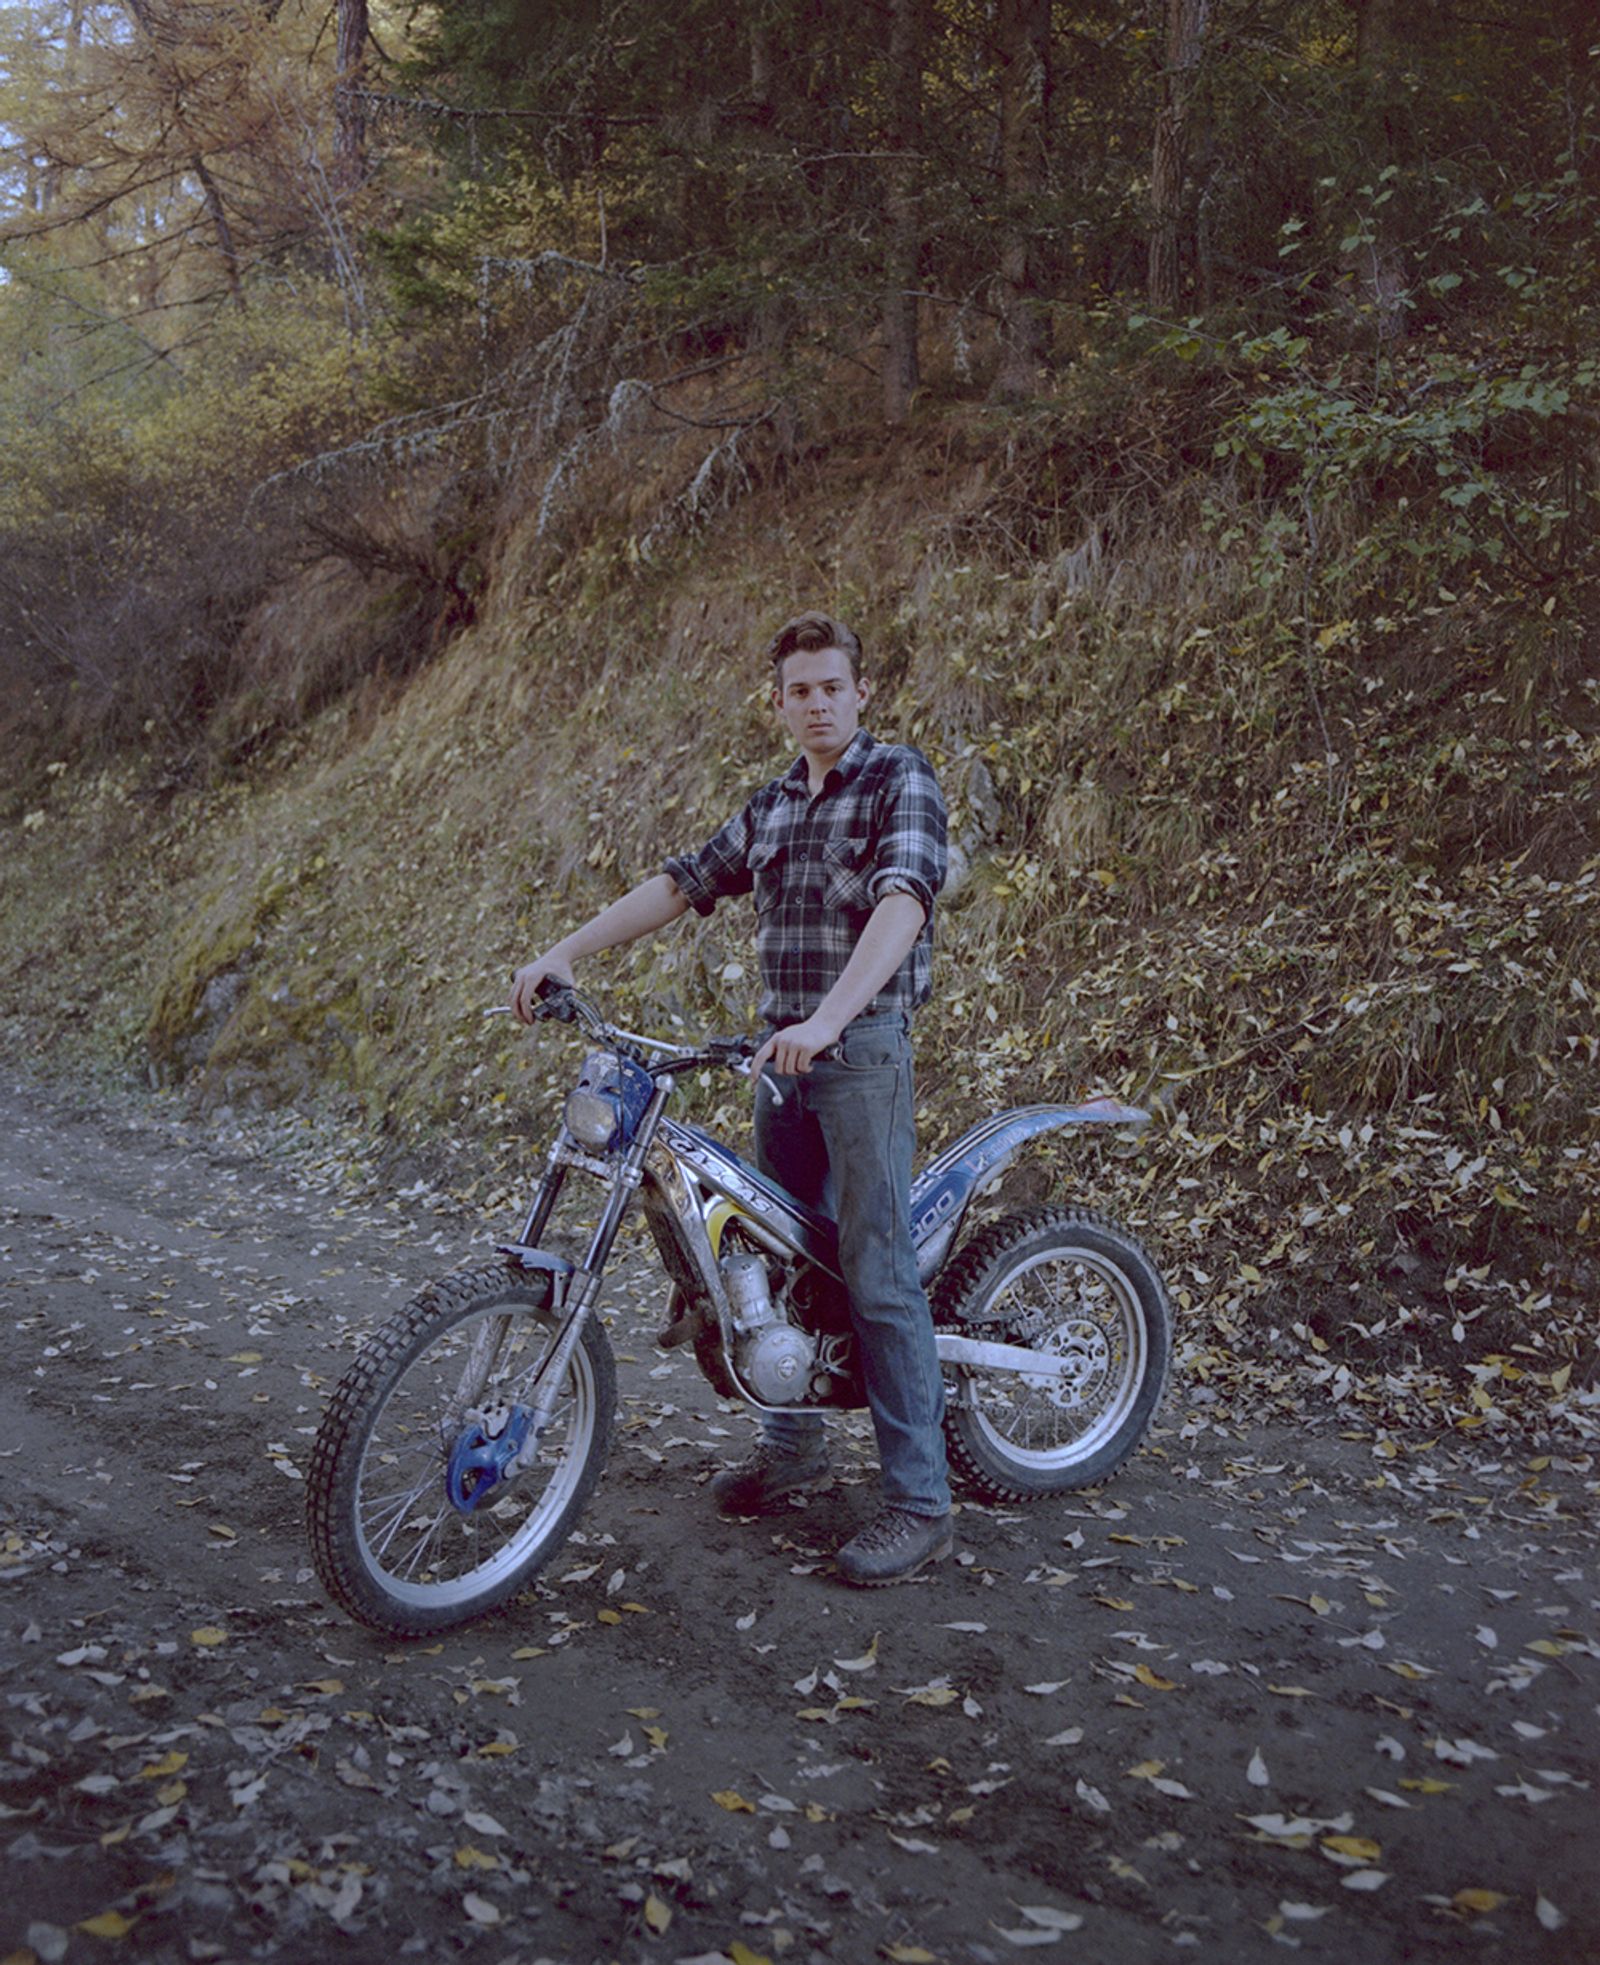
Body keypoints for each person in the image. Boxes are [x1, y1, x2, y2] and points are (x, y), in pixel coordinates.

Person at [510, 610, 953, 1586]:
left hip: (860, 1050)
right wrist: (564, 952)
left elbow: (903, 904)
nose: (817, 702)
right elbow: (680, 884)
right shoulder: (771, 804)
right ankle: (794, 1449)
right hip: (779, 1058)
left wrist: (829, 1021)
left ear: (861, 691)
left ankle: (920, 1499)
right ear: (780, 701)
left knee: (874, 1270)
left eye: (833, 685)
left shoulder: (897, 778)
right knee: (776, 1257)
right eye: (799, 690)